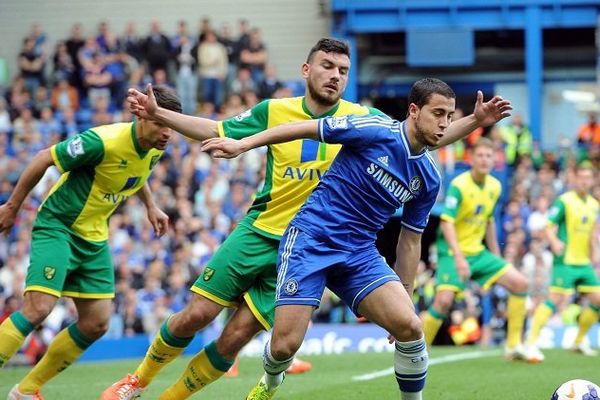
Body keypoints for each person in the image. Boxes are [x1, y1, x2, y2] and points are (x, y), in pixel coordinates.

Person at [101, 38, 511, 400]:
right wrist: (166, 116)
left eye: (343, 70)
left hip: (332, 245)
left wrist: (474, 121)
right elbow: (216, 127)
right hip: (267, 231)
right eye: (328, 67)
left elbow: (417, 137)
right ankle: (136, 382)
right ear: (307, 70)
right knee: (196, 315)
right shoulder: (276, 111)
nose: (335, 76)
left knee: (241, 337)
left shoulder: (363, 118)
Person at [201, 77, 512, 400]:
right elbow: (305, 128)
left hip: (359, 253)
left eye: (450, 116)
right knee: (284, 346)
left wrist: (406, 294)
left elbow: (410, 240)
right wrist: (244, 144)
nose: (445, 123)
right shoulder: (374, 129)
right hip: (311, 240)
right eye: (438, 113)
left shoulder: (429, 178)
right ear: (414, 110)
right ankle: (272, 379)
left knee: (410, 327)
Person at [0, 85, 181, 400]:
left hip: (95, 236)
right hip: (59, 225)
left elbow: (134, 174)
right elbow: (44, 158)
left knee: (97, 322)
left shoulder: (155, 145)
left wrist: (150, 204)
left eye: (171, 125)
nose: (167, 132)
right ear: (140, 117)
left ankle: (26, 391)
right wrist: (12, 207)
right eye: (160, 123)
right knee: (38, 308)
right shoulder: (102, 141)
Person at [421, 138, 529, 359]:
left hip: (478, 253)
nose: (484, 160)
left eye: (489, 156)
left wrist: (498, 260)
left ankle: (513, 346)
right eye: (480, 155)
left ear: (494, 160)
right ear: (471, 158)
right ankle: (416, 353)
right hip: (452, 252)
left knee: (520, 283)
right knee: (443, 301)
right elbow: (446, 222)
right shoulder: (459, 185)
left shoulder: (495, 186)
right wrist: (459, 258)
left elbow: (489, 221)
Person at [525, 161, 600, 362]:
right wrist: (555, 241)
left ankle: (579, 340)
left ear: (593, 180)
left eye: (588, 178)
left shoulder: (594, 204)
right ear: (575, 179)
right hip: (565, 261)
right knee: (555, 300)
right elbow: (548, 226)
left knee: (598, 301)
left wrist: (594, 252)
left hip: (583, 262)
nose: (584, 181)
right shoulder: (564, 201)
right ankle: (530, 343)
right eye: (581, 177)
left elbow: (593, 231)